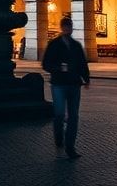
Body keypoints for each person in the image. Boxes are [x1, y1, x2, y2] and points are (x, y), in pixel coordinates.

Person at [41, 16, 90, 159]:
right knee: (59, 114)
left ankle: (70, 147)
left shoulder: (76, 45)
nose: (69, 29)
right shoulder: (54, 44)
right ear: (62, 28)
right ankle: (58, 136)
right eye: (67, 26)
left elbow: (82, 63)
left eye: (70, 26)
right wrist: (58, 69)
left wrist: (86, 78)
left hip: (74, 83)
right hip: (59, 84)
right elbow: (46, 64)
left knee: (74, 116)